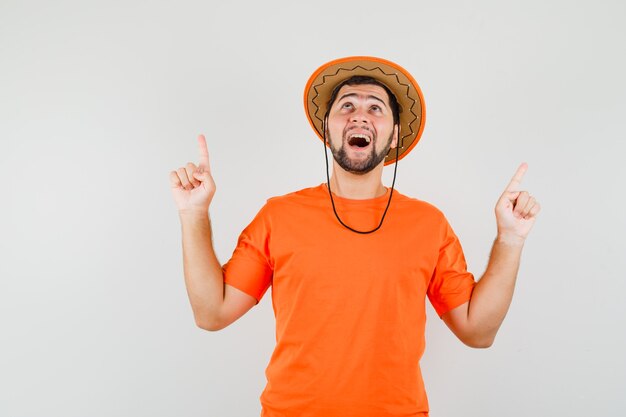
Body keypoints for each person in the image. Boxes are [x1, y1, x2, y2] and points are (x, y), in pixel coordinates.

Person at [169, 56, 541, 417]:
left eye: (376, 108)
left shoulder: (429, 224)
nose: (359, 114)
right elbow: (211, 312)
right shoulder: (278, 216)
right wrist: (194, 213)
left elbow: (478, 332)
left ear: (394, 136)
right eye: (346, 105)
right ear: (327, 129)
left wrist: (510, 239)